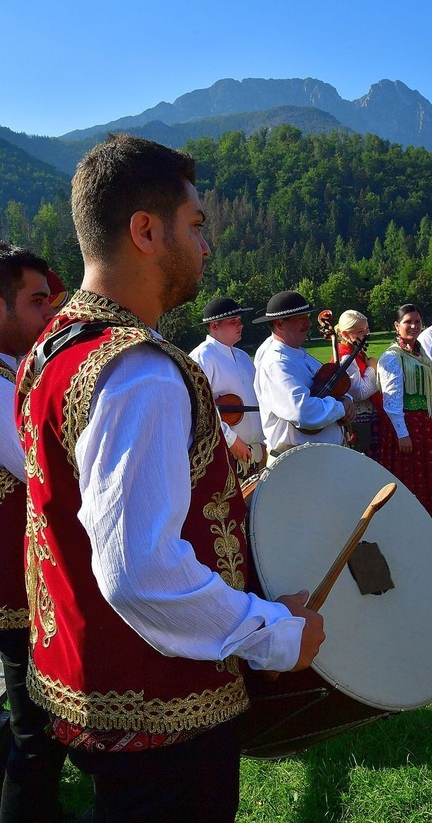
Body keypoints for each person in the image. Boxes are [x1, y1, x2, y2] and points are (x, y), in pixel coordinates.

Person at [15, 134, 324, 823]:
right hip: (160, 705)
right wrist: (272, 633)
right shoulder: (139, 371)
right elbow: (138, 570)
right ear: (145, 231)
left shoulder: (53, 345)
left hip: (86, 679)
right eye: (195, 225)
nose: (206, 247)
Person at [0, 243, 67, 823]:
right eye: (36, 299)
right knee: (34, 733)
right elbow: (38, 467)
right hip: (13, 591)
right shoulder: (0, 382)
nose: (50, 313)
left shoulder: (10, 374)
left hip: (20, 581)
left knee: (35, 729)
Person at [253, 291, 356, 455]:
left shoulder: (299, 354)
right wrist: (341, 407)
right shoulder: (277, 362)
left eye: (307, 317)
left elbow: (332, 389)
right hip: (297, 461)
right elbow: (301, 411)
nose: (308, 323)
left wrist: (346, 399)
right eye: (301, 318)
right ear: (279, 324)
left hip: (314, 459)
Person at [376, 304, 432, 525]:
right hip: (406, 425)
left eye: (417, 321)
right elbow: (392, 400)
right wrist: (402, 434)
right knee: (410, 476)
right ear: (397, 326)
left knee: (427, 473)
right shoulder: (392, 357)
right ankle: (409, 525)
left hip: (424, 423)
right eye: (408, 322)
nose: (414, 326)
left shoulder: (420, 352)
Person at [190, 297, 266, 479]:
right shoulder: (203, 357)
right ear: (214, 326)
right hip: (225, 453)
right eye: (233, 322)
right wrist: (231, 440)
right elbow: (199, 407)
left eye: (239, 321)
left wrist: (262, 440)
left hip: (255, 452)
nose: (240, 325)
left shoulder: (243, 357)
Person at [334, 310, 381, 458]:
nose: (366, 334)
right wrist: (372, 368)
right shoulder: (345, 356)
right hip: (359, 422)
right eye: (360, 331)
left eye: (367, 329)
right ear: (346, 335)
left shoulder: (356, 351)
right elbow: (359, 392)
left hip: (367, 418)